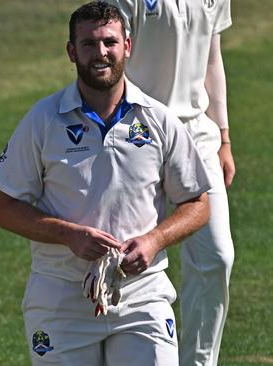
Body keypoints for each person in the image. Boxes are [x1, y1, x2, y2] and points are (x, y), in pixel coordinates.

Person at [0, 2, 211, 365]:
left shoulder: (160, 119)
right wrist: (70, 235)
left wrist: (154, 240)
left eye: (109, 42)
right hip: (61, 298)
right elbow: (6, 210)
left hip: (142, 296)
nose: (101, 53)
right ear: (71, 51)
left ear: (128, 46)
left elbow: (198, 203)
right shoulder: (43, 119)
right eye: (89, 44)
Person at [102, 0, 235, 364]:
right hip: (139, 132)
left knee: (218, 257)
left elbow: (211, 59)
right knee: (127, 256)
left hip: (198, 135)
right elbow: (112, 60)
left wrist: (223, 136)